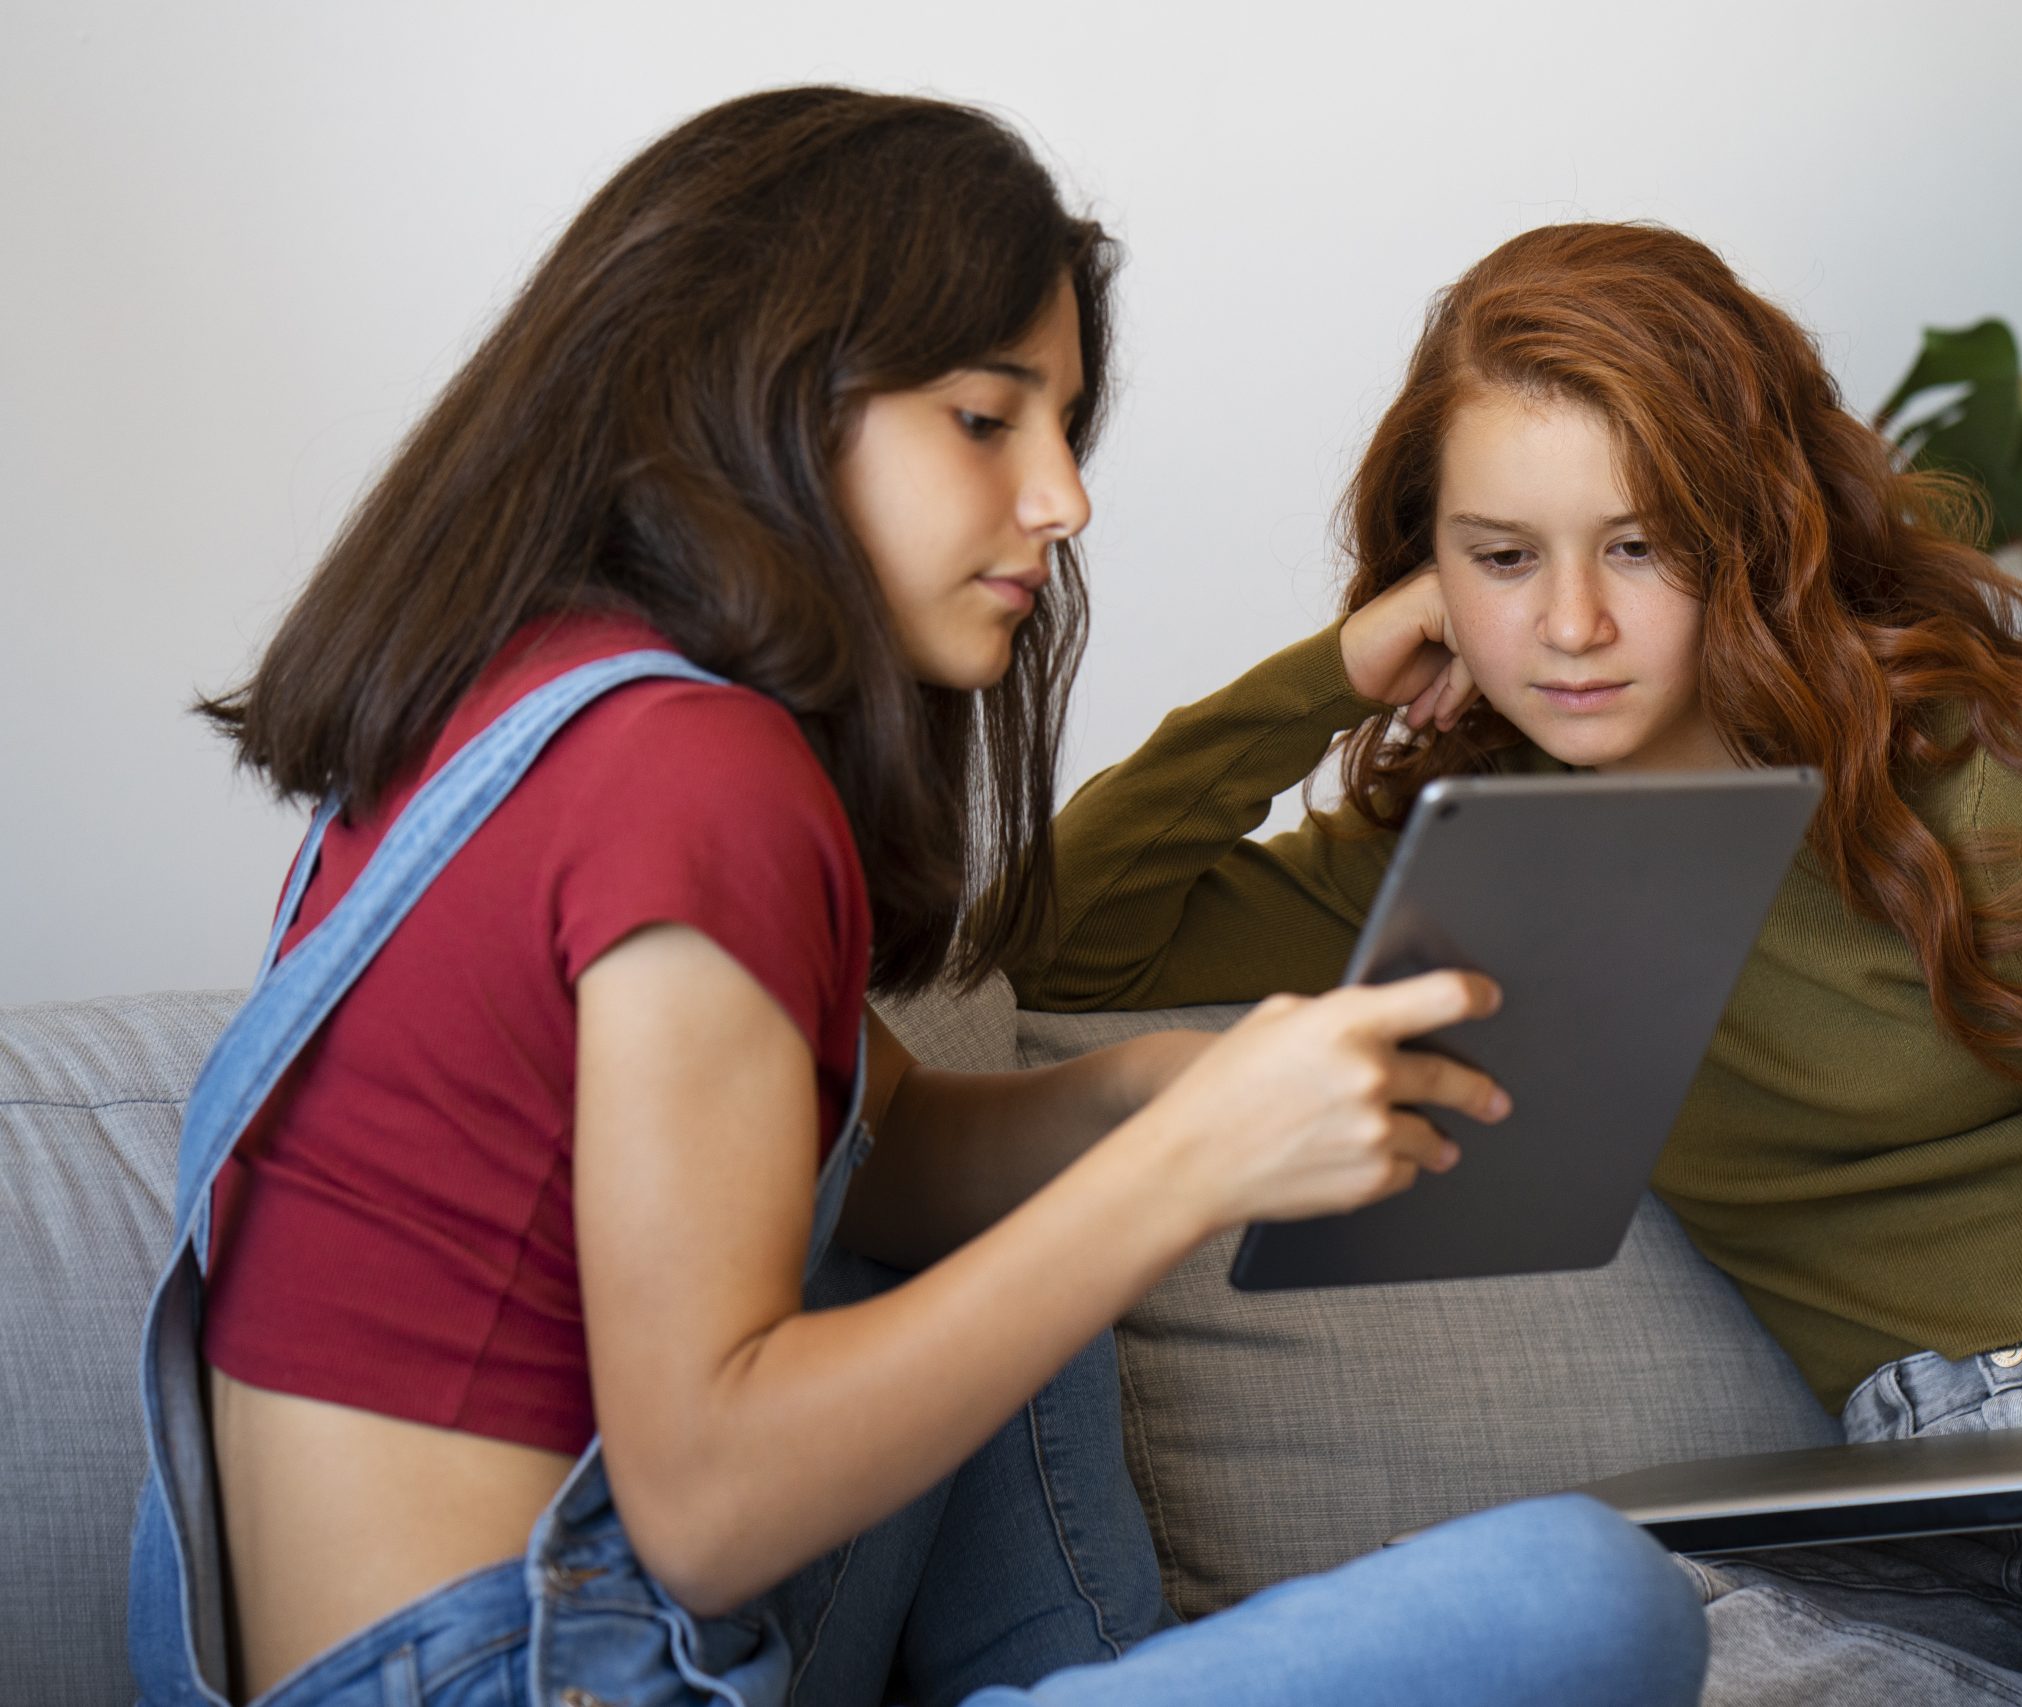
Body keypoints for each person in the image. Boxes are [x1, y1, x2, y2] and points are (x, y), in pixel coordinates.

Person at [127, 95, 1712, 1707]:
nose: (1063, 499)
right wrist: (1185, 1166)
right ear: (764, 400)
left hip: (371, 1663)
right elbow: (708, 1507)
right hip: (516, 1675)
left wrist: (1170, 1089)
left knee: (996, 1226)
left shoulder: (525, 709)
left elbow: (885, 1163)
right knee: (1596, 1595)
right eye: (983, 419)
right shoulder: (697, 776)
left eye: (1063, 430)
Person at [1002, 220, 2022, 1705]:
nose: (1573, 623)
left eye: (1637, 544)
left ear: (1750, 533)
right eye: (1501, 557)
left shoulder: (1983, 761)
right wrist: (1326, 676)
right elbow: (1059, 940)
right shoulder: (1467, 865)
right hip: (1913, 1521)